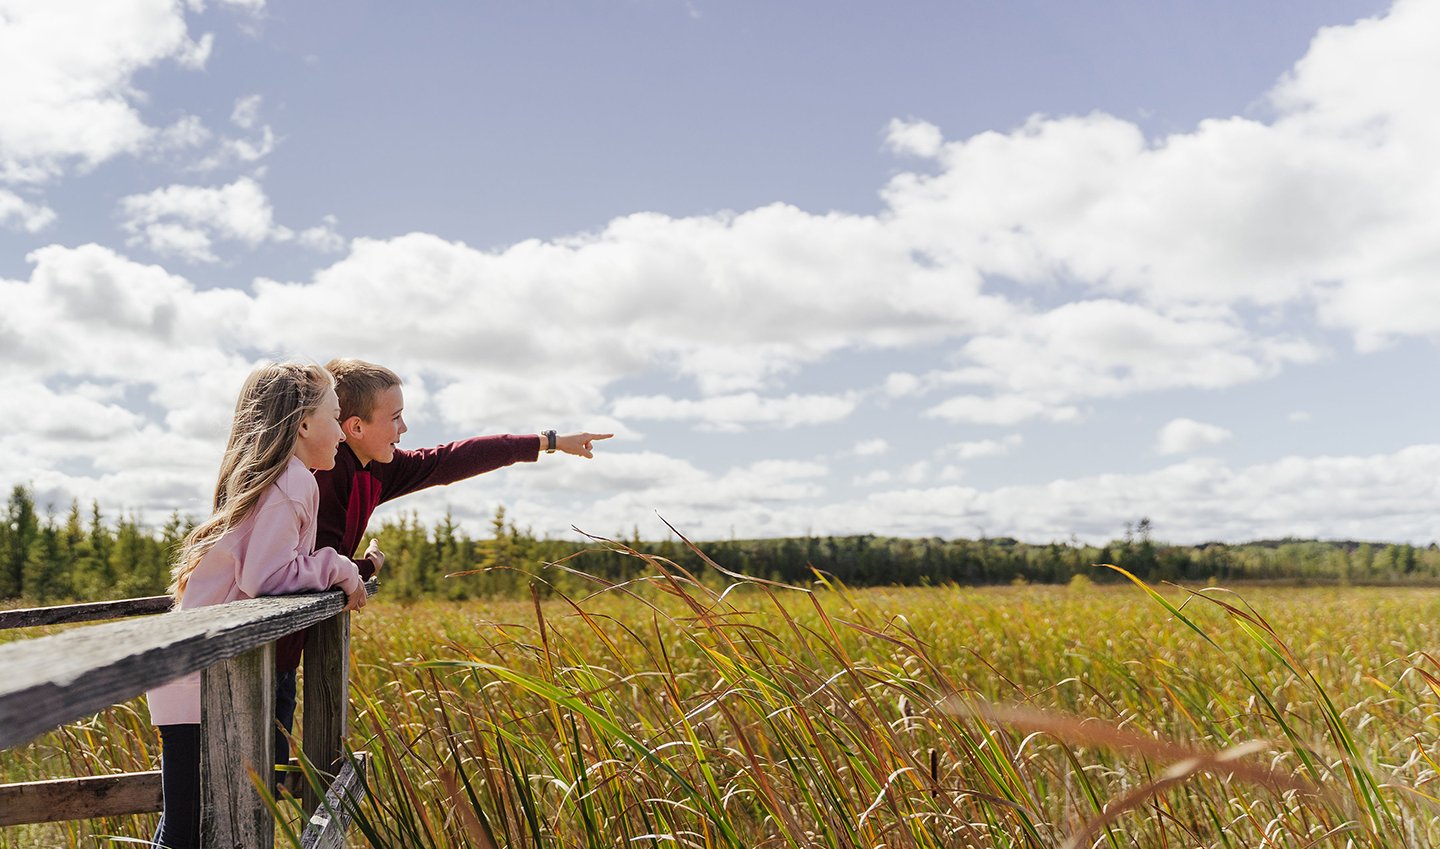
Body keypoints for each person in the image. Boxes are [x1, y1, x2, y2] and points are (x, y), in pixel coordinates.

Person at [269, 357, 612, 754]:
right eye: (395, 417)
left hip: (284, 651)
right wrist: (367, 566)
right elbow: (308, 560)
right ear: (356, 427)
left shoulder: (378, 469)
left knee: (266, 776)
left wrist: (547, 441)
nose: (404, 429)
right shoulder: (322, 472)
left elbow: (450, 458)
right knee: (245, 777)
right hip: (261, 648)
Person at [145, 362, 373, 849]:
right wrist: (339, 566)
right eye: (334, 417)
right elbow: (267, 577)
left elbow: (272, 568)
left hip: (198, 677)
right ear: (304, 425)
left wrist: (335, 566)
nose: (340, 431)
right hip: (201, 684)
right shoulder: (293, 484)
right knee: (187, 829)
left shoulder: (281, 479)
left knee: (187, 823)